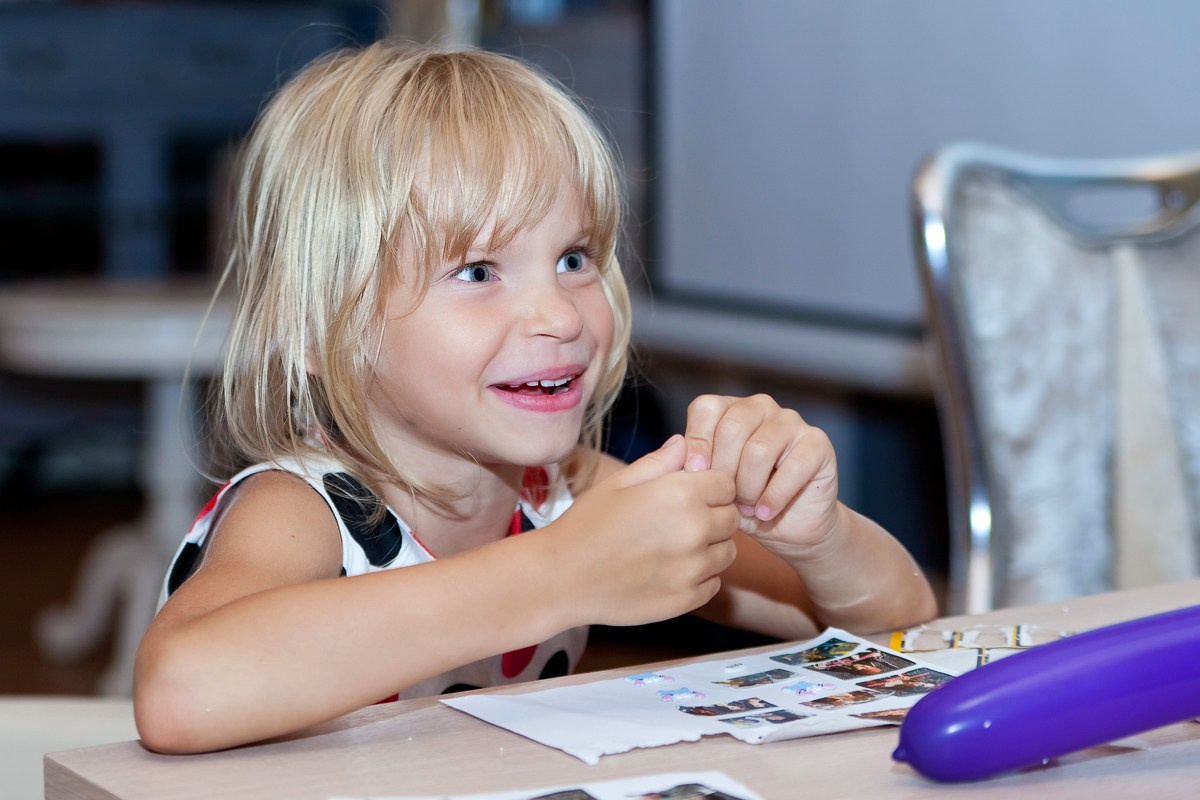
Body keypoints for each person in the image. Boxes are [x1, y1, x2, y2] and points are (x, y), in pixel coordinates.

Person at [133, 39, 936, 754]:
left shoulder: (572, 492)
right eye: (479, 271)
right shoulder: (303, 510)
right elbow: (178, 694)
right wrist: (560, 573)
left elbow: (899, 627)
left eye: (574, 259)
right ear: (319, 329)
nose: (560, 315)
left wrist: (816, 535)